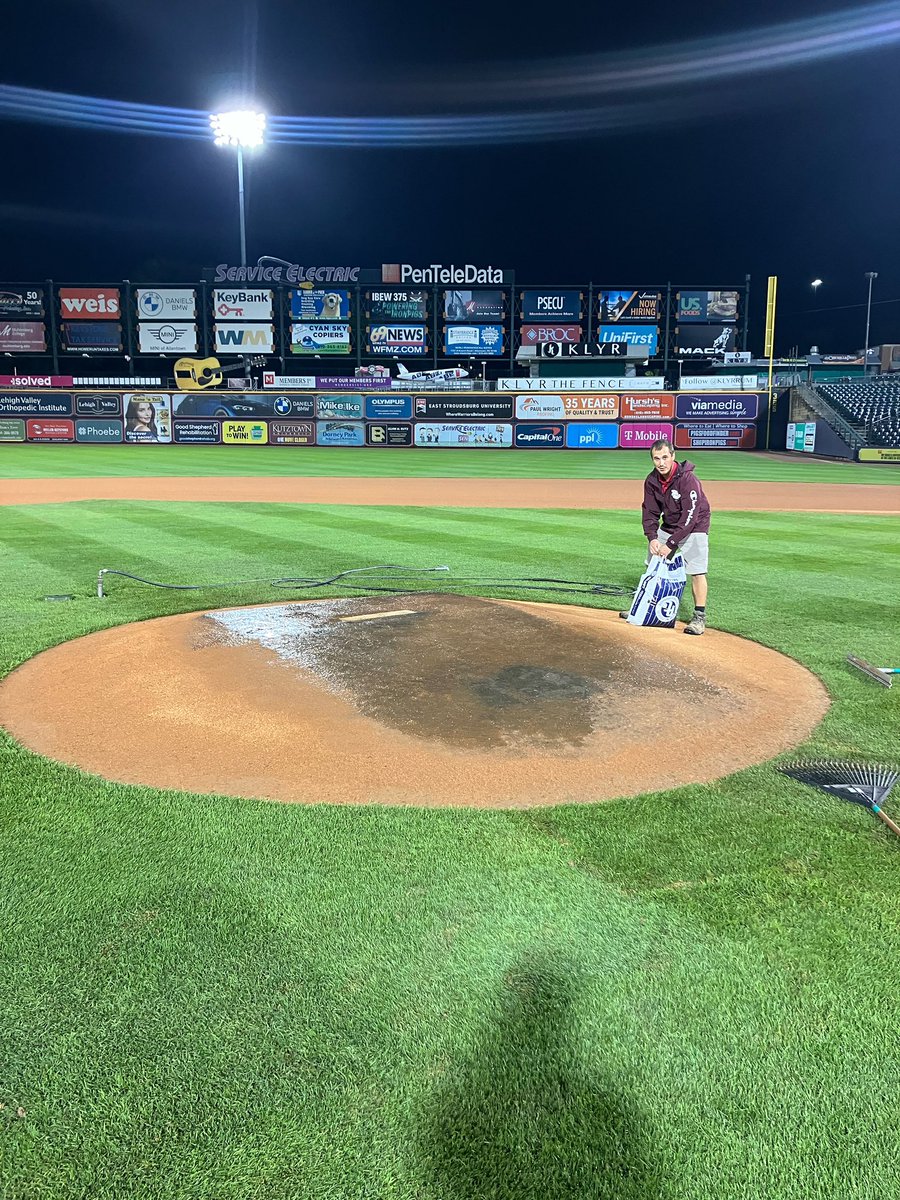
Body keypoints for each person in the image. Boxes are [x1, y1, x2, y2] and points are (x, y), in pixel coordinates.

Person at [621, 438, 711, 634]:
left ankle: (699, 618)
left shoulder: (688, 480)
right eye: (656, 458)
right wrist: (652, 537)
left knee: (697, 570)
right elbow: (650, 511)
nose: (661, 463)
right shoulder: (652, 480)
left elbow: (690, 516)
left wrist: (670, 544)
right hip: (670, 524)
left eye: (664, 457)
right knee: (653, 564)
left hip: (695, 525)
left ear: (673, 456)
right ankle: (643, 607)